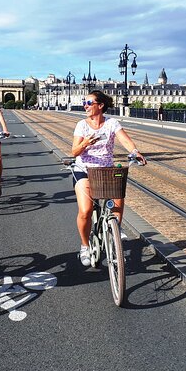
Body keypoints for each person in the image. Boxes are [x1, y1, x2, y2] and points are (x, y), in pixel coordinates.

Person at [71, 90, 147, 266]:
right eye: (85, 102)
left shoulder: (112, 123)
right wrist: (85, 143)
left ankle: (115, 230)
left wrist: (134, 152)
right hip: (84, 169)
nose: (85, 106)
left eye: (89, 103)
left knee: (118, 196)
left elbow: (125, 140)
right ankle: (84, 246)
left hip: (105, 169)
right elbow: (74, 151)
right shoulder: (81, 125)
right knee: (86, 211)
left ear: (100, 105)